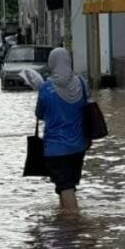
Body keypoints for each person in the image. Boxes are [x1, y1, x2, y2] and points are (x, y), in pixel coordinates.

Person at [35, 47, 91, 214]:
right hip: (79, 145)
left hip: (55, 148)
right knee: (68, 184)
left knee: (65, 185)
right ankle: (64, 223)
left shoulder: (46, 88)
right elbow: (87, 110)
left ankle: (74, 222)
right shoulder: (82, 84)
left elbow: (39, 114)